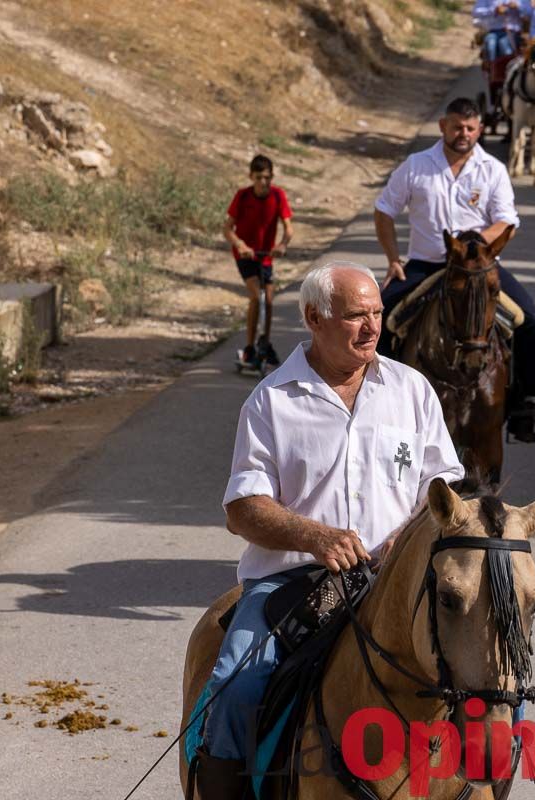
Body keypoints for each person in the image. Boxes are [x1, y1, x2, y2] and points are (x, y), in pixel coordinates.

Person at [195, 262, 465, 799]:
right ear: (315, 318)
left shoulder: (412, 390)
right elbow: (243, 509)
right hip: (293, 584)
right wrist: (316, 537)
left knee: (494, 679)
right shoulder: (271, 401)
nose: (371, 328)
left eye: (376, 313)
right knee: (234, 687)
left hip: (399, 580)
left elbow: (445, 492)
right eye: (355, 316)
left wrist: (408, 538)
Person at [374, 96, 535, 443]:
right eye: (456, 126)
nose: (463, 133)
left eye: (470, 128)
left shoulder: (493, 170)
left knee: (534, 323)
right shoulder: (416, 165)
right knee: (378, 322)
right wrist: (393, 259)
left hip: (477, 270)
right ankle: (376, 403)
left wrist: (474, 246)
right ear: (443, 126)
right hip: (426, 265)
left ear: (479, 129)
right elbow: (383, 211)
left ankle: (522, 405)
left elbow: (506, 220)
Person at [223, 155, 293, 366]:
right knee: (256, 296)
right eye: (260, 177)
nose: (264, 182)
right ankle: (249, 346)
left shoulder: (278, 196)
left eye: (268, 177)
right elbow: (227, 228)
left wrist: (282, 245)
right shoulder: (243, 196)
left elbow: (289, 227)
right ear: (251, 176)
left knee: (269, 300)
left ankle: (265, 342)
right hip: (246, 255)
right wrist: (240, 245)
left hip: (265, 256)